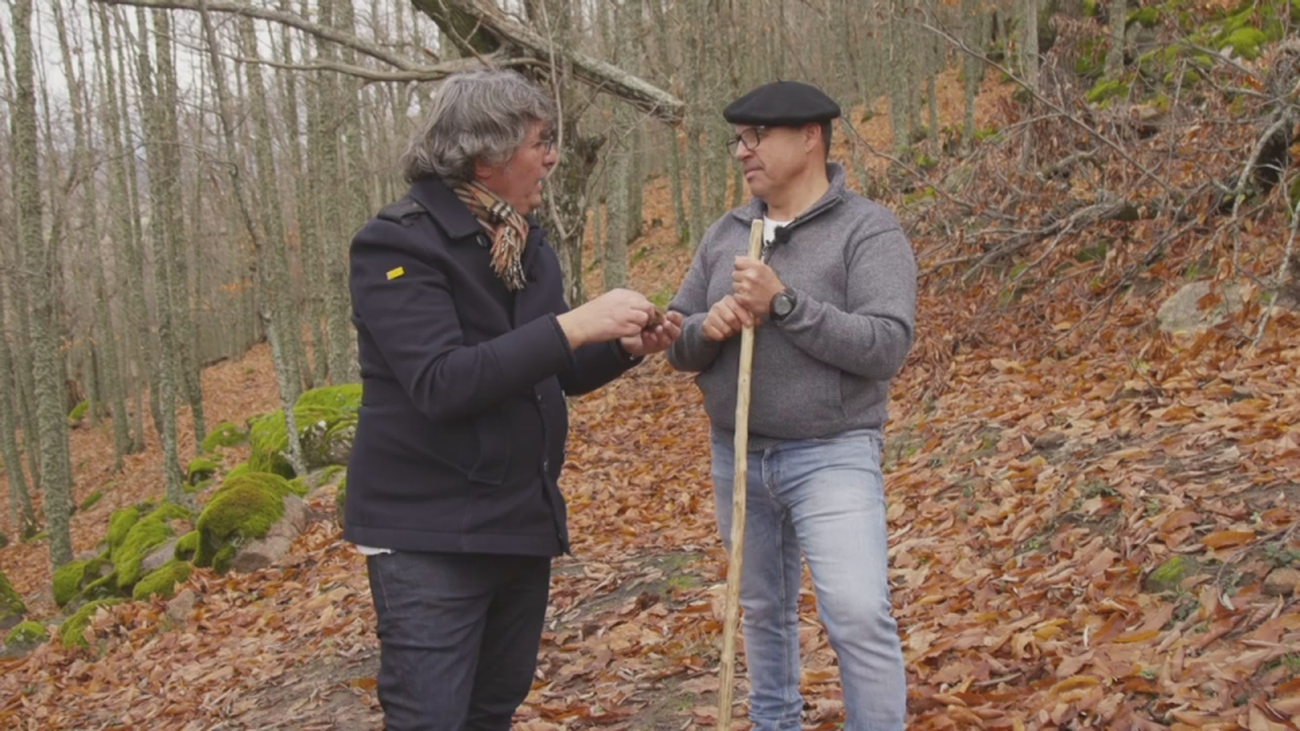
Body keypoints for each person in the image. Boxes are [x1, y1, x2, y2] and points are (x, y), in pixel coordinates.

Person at [344, 69, 683, 730]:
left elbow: (546, 369)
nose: (552, 156)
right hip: (429, 535)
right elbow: (443, 381)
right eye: (539, 142)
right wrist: (575, 324)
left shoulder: (525, 244)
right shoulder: (398, 244)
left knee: (490, 710)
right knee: (430, 718)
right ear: (486, 155)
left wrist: (619, 347)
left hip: (517, 521)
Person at [665, 80, 916, 730]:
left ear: (810, 137)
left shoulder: (867, 229)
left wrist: (786, 304)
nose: (742, 153)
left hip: (832, 453)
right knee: (762, 611)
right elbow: (676, 340)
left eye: (756, 138)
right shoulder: (728, 232)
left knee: (858, 613)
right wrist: (707, 328)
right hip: (738, 453)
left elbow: (886, 344)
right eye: (738, 141)